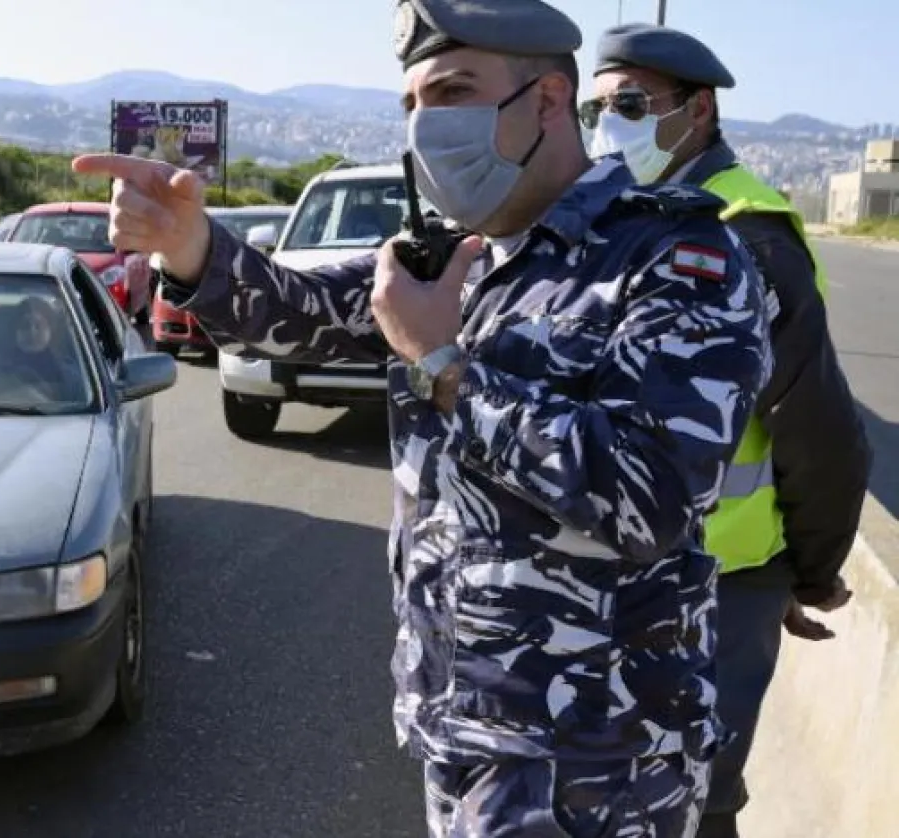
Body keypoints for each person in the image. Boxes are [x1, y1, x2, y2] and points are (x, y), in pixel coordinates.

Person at [73, 0, 774, 834]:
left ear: (549, 100)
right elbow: (305, 311)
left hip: (596, 757)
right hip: (462, 726)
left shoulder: (676, 260)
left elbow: (650, 496)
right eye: (411, 103)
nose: (425, 124)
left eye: (452, 92)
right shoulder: (461, 252)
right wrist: (190, 246)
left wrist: (443, 366)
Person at [586, 25, 872, 838]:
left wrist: (809, 571)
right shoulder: (619, 215)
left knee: (695, 798)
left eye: (630, 105)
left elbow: (817, 426)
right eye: (596, 110)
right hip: (623, 567)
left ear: (699, 110)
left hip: (720, 581)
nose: (609, 127)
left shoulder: (746, 232)